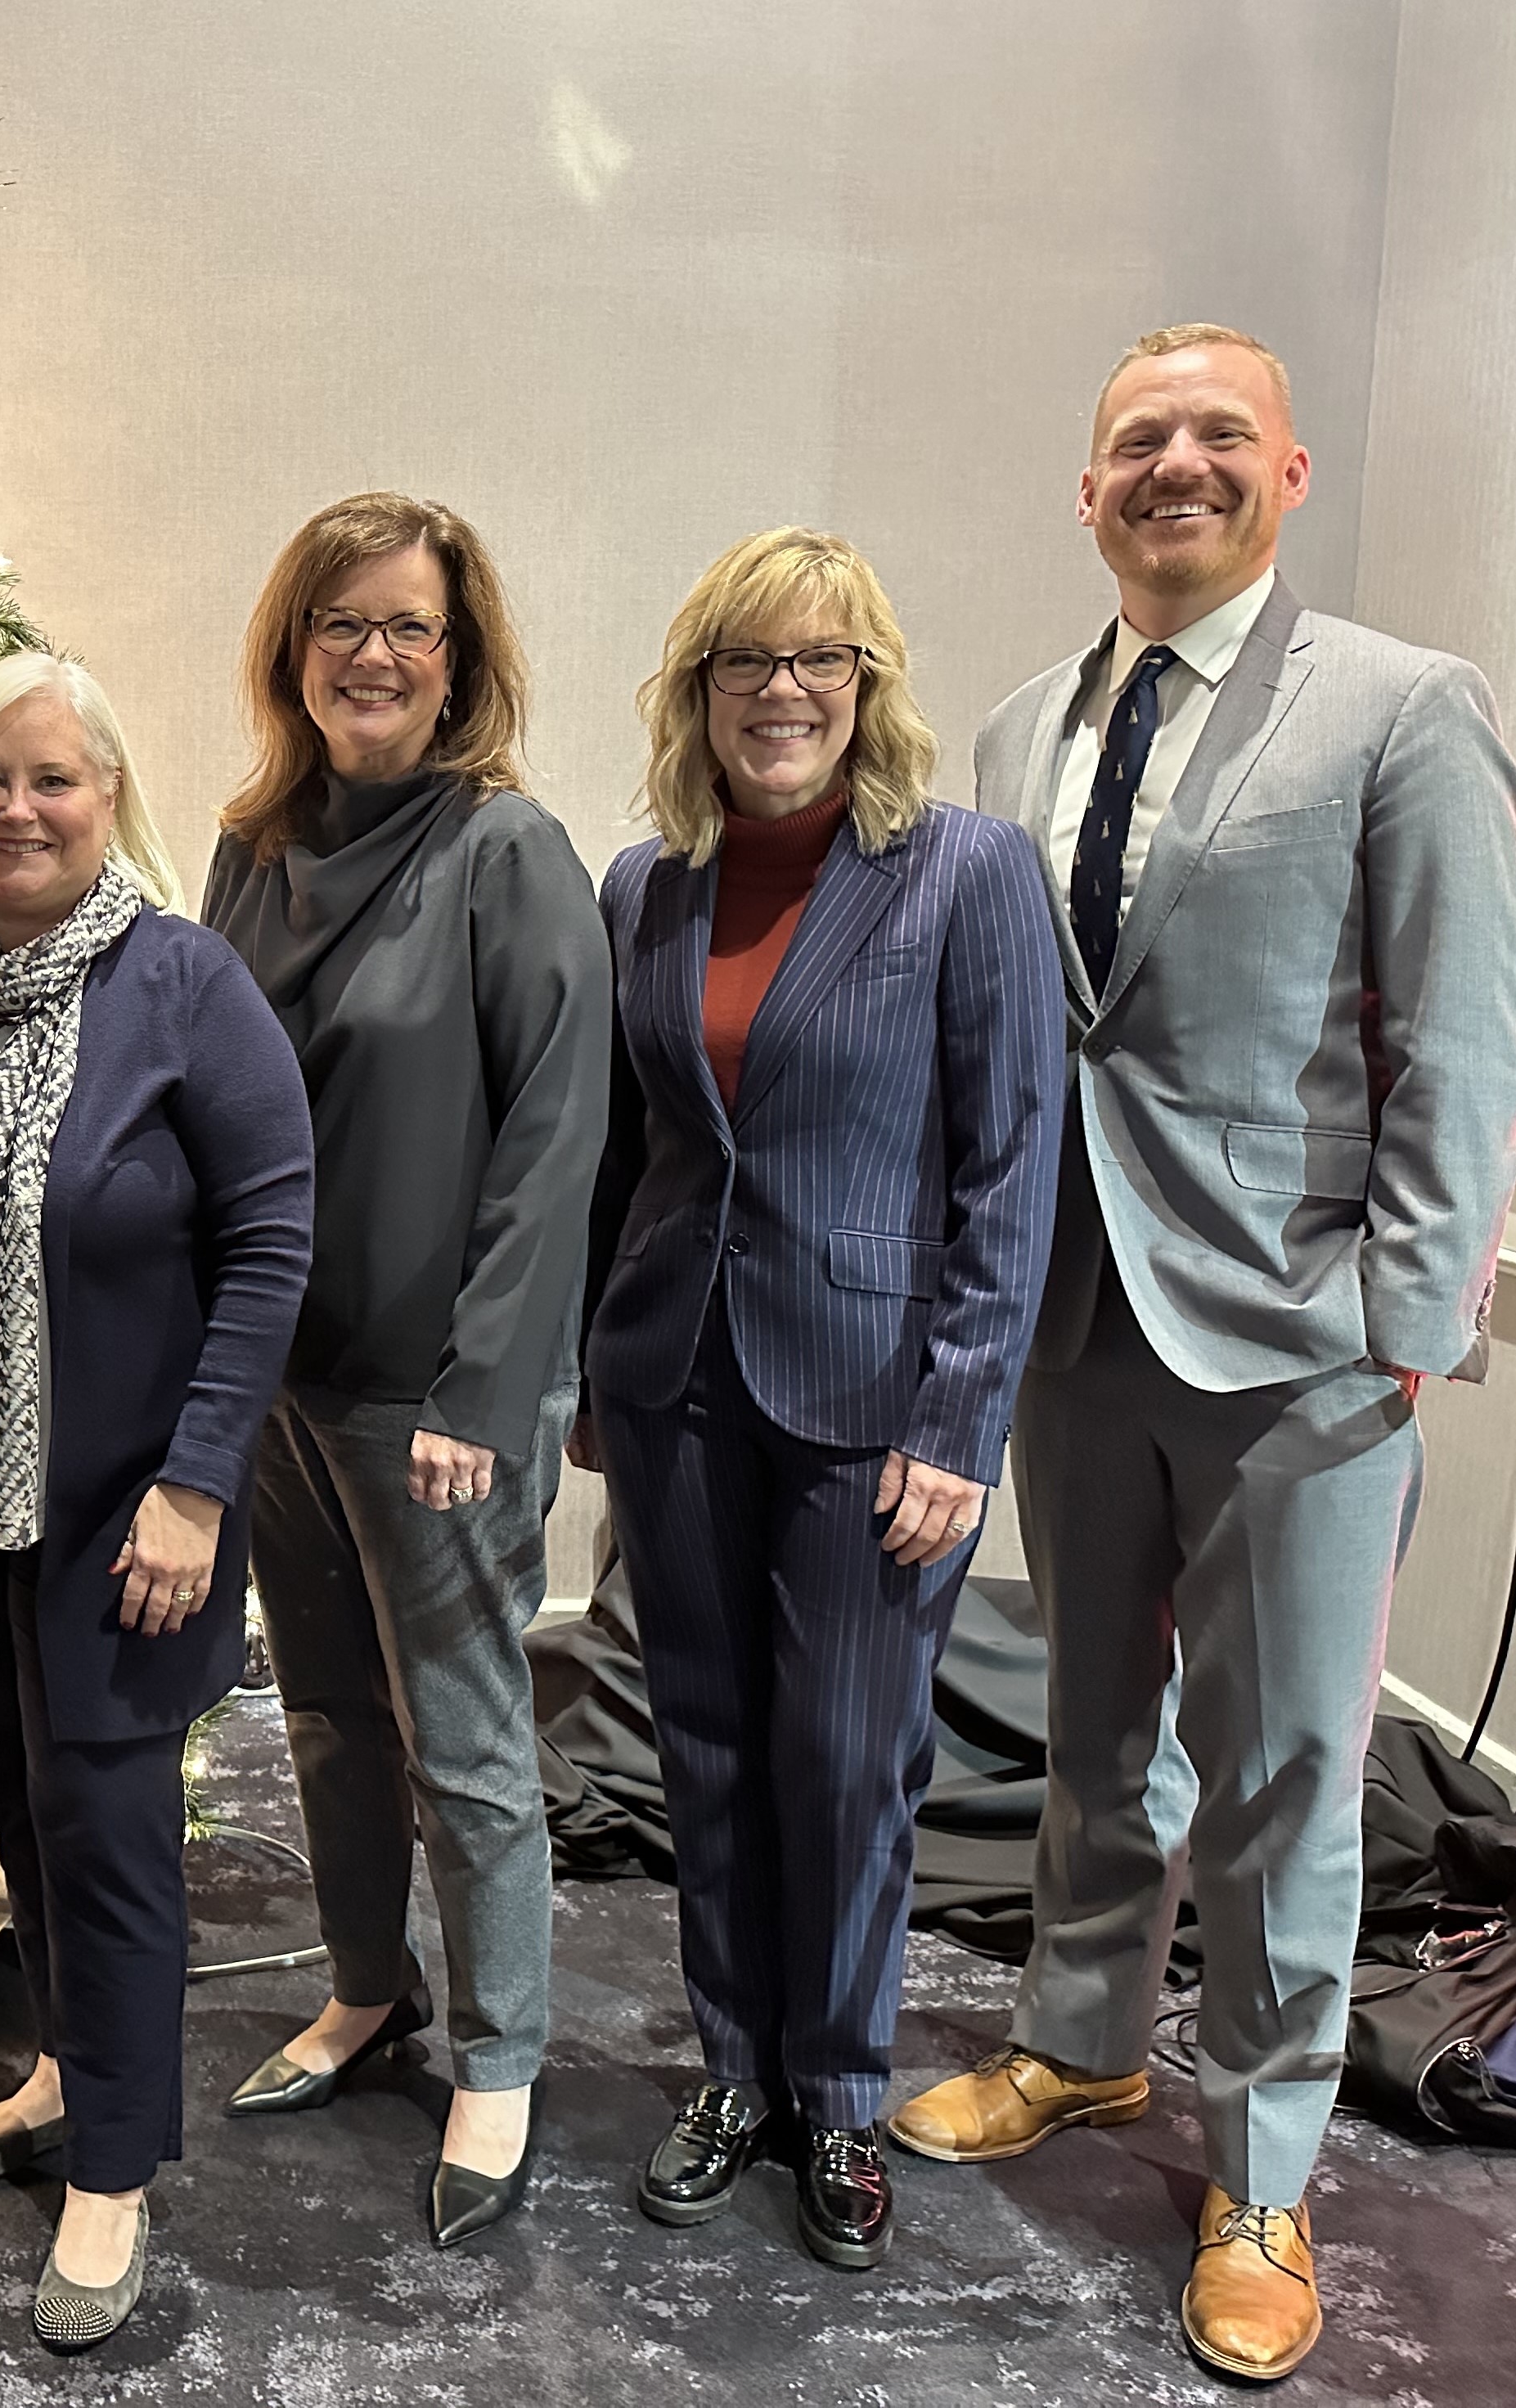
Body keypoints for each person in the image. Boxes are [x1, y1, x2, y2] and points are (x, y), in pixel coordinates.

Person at [884, 324, 1516, 2381]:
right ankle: (1080, 2041)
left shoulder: (1405, 710)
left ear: (1290, 473)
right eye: (1137, 439)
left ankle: (1265, 2162)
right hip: (1068, 1322)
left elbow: (1464, 1041)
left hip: (1297, 1346)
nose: (1176, 463)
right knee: (1086, 1727)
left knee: (1282, 1774)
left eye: (1217, 433)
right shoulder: (1007, 735)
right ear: (1087, 493)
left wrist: (1404, 1329)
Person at [581, 528, 1063, 2271]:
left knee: (849, 1756)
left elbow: (1013, 1166)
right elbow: (624, 1153)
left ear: (868, 686)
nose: (781, 692)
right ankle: (736, 2067)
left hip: (874, 1392)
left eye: (820, 660)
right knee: (703, 1744)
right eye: (745, 662)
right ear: (697, 691)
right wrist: (590, 1365)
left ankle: (841, 2090)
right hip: (674, 1378)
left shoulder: (965, 871)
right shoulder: (647, 885)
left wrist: (961, 1416)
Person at [0, 655, 313, 2350]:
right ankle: (61, 2067)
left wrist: (198, 1487)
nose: (18, 810)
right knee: (28, 1807)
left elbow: (270, 1241)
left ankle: (113, 2168)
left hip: (128, 1508)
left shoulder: (181, 982)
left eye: (55, 778)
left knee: (110, 1829)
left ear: (110, 793)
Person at [203, 491, 610, 2246]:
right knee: (320, 1711)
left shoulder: (504, 850)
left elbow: (558, 1134)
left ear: (462, 662)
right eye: (341, 623)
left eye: (410, 629)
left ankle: (504, 2052)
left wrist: (485, 1385)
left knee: (463, 1735)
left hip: (432, 1393)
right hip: (279, 1375)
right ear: (294, 650)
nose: (373, 655)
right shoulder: (252, 844)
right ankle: (371, 1991)